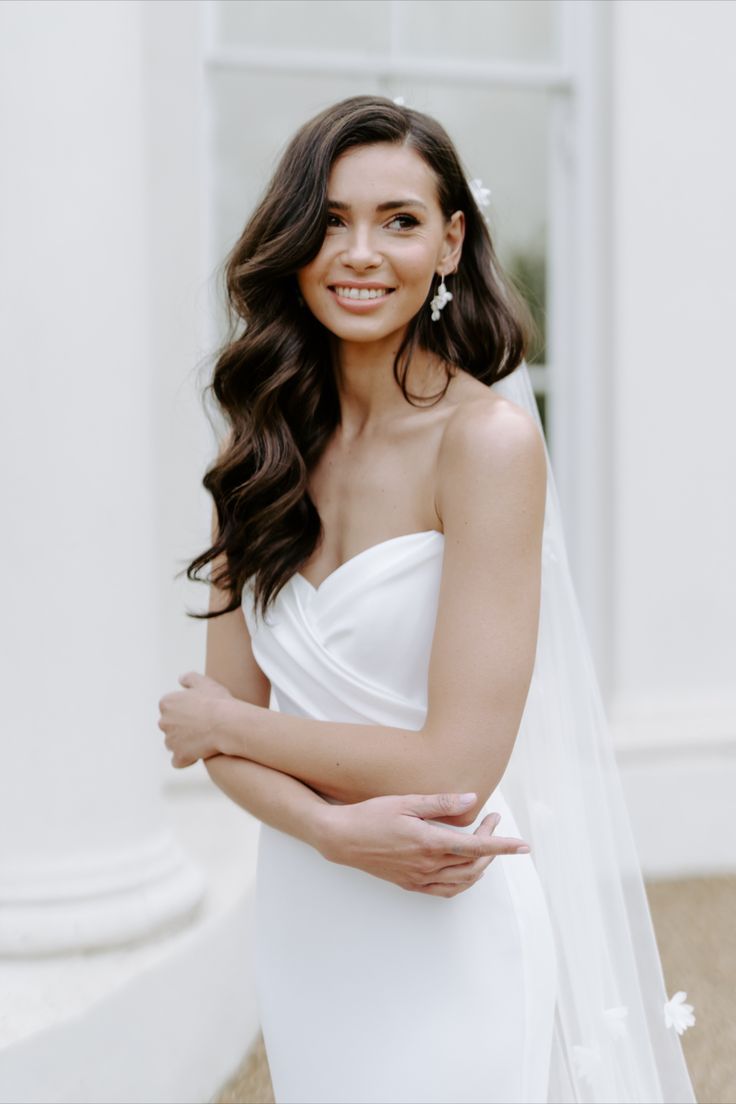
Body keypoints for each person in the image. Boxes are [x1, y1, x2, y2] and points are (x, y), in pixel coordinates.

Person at [158, 96, 697, 1104]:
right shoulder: (260, 454)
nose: (359, 252)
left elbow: (454, 762)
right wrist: (324, 831)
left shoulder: (484, 443)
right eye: (328, 220)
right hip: (312, 914)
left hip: (450, 907)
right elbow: (223, 746)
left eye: (398, 220)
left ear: (450, 243)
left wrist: (226, 724)